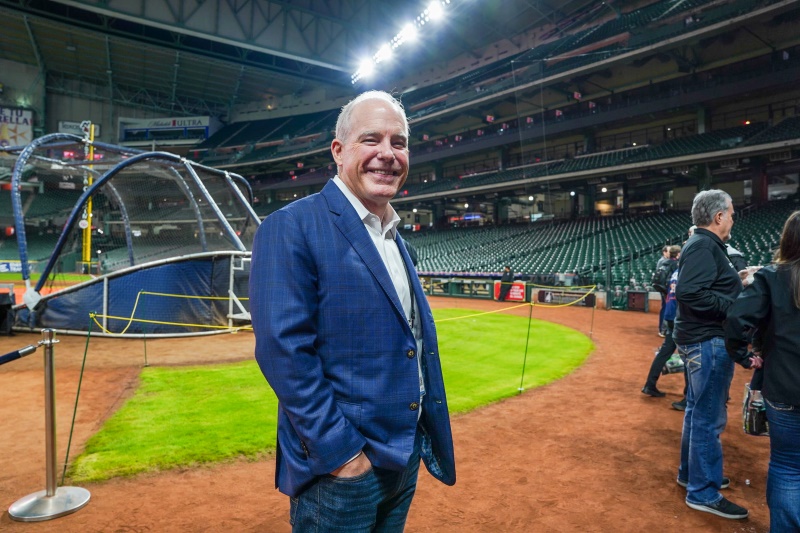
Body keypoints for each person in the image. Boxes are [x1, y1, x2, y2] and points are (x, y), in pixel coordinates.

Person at [250, 90, 456, 531]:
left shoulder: (395, 236)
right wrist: (343, 454)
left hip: (403, 456)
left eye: (398, 143)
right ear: (339, 152)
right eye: (371, 140)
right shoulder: (291, 226)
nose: (387, 154)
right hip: (341, 469)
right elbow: (282, 351)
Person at [672, 189, 752, 520]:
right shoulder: (705, 244)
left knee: (696, 410)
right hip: (707, 341)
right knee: (708, 416)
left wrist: (737, 282)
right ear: (718, 216)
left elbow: (704, 287)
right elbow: (691, 293)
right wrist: (734, 306)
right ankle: (702, 491)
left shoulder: (703, 245)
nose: (733, 217)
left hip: (700, 340)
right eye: (731, 213)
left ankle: (692, 474)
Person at [725, 210, 800, 532]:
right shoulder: (771, 275)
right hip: (784, 386)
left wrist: (742, 355)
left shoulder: (772, 275)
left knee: (786, 466)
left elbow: (735, 320)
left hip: (784, 386)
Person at [642, 245, 682, 397]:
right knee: (691, 353)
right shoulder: (683, 269)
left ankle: (649, 384)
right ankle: (688, 396)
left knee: (665, 351)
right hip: (680, 316)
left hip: (670, 312)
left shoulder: (669, 268)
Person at [655, 245, 671, 336]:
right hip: (664, 288)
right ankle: (662, 329)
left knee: (665, 307)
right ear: (664, 252)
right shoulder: (663, 261)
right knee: (665, 307)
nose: (670, 253)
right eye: (669, 251)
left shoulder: (665, 261)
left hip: (664, 287)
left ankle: (663, 328)